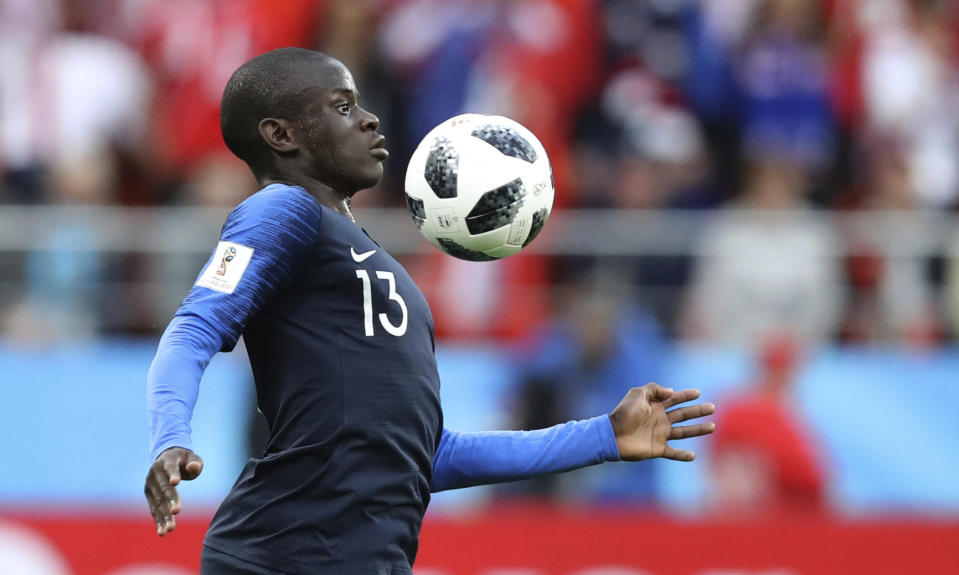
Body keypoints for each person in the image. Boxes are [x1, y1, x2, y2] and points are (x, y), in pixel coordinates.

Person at [143, 47, 716, 575]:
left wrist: (602, 437)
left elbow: (426, 455)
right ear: (281, 134)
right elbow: (194, 328)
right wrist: (170, 436)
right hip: (283, 553)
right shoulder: (282, 211)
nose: (369, 119)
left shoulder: (381, 271)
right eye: (342, 106)